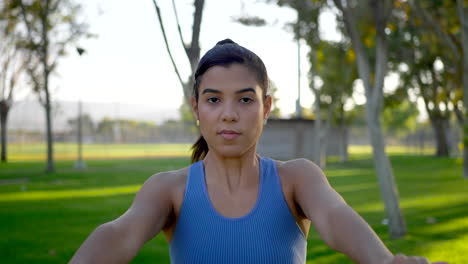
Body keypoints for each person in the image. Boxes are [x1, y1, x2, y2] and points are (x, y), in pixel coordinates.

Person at [70, 39, 443, 264]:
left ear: (266, 107)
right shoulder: (169, 190)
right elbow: (120, 234)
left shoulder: (296, 178)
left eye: (245, 99)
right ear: (196, 108)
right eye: (214, 99)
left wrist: (385, 260)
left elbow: (334, 217)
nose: (229, 113)